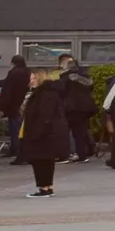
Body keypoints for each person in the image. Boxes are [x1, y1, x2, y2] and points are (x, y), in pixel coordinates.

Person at [14, 70, 70, 199]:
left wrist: (35, 133)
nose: (31, 81)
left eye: (33, 78)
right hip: (46, 133)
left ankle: (44, 187)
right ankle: (47, 186)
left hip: (43, 134)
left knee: (40, 161)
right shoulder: (46, 93)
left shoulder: (44, 95)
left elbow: (45, 115)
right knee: (46, 161)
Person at [57, 56, 96, 161]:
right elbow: (91, 88)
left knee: (64, 132)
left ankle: (65, 155)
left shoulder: (65, 76)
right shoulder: (85, 76)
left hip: (71, 108)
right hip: (85, 109)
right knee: (81, 133)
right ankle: (82, 155)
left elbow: (61, 92)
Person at [0, 53, 30, 160]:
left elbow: (7, 91)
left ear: (13, 63)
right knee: (22, 129)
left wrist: (1, 106)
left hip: (14, 106)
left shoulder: (14, 73)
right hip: (24, 105)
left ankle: (16, 150)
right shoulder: (28, 72)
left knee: (15, 129)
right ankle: (22, 150)